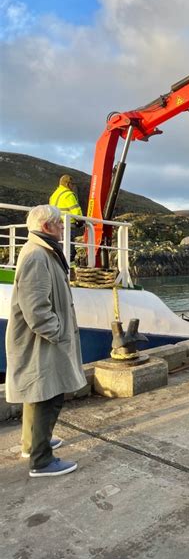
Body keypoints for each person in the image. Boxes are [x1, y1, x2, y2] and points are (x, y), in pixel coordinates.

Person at [5, 205, 86, 477]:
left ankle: (32, 443)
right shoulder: (37, 256)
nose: (63, 229)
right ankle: (41, 460)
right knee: (49, 395)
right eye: (59, 225)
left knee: (38, 392)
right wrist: (58, 334)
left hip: (42, 340)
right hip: (42, 341)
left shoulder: (41, 251)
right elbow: (36, 308)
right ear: (46, 226)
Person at [49, 174, 83, 261]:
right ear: (68, 184)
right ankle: (69, 269)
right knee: (69, 251)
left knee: (60, 248)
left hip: (55, 225)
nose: (73, 186)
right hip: (67, 226)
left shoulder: (54, 195)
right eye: (72, 184)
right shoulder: (68, 195)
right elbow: (76, 211)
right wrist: (81, 221)